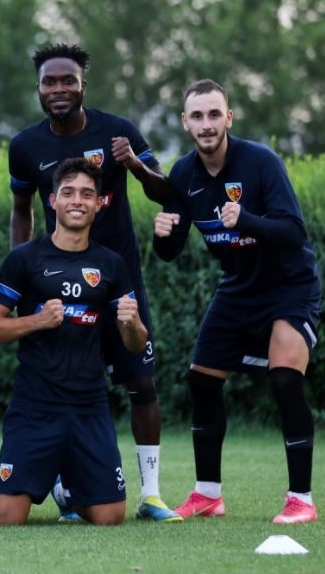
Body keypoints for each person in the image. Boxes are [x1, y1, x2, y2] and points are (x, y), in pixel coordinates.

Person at [8, 43, 179, 521]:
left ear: (84, 85)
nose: (59, 89)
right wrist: (20, 275)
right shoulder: (25, 146)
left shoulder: (118, 130)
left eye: (68, 80)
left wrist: (135, 164)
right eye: (50, 82)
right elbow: (21, 212)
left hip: (118, 280)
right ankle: (69, 490)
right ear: (39, 89)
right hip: (56, 284)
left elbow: (166, 191)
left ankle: (151, 494)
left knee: (140, 381)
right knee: (63, 381)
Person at [154, 79, 320, 524]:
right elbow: (169, 252)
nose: (206, 124)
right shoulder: (183, 174)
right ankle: (208, 495)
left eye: (214, 114)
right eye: (197, 116)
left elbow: (293, 233)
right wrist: (163, 235)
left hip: (289, 286)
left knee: (284, 380)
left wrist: (246, 218)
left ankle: (301, 500)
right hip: (237, 288)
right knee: (201, 381)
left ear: (228, 117)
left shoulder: (261, 162)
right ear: (185, 122)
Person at [0, 158, 147, 526]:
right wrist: (37, 321)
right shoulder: (25, 258)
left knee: (110, 518)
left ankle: (66, 490)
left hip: (88, 404)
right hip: (34, 403)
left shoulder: (112, 264)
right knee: (7, 518)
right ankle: (56, 477)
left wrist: (133, 323)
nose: (77, 201)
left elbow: (135, 344)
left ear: (99, 204)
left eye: (87, 194)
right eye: (68, 192)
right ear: (53, 200)